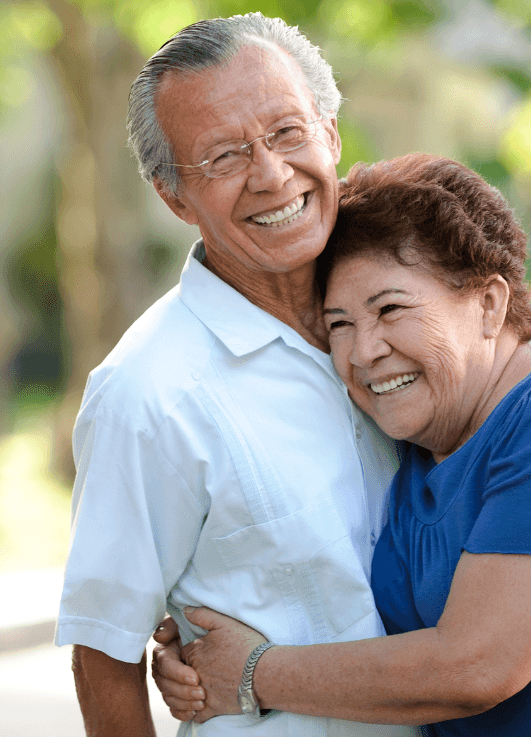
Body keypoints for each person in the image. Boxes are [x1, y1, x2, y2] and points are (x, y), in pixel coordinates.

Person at [151, 153, 531, 736]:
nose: (363, 352)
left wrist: (254, 673)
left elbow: (473, 668)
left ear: (489, 304)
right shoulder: (417, 441)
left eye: (390, 310)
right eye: (339, 325)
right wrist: (202, 633)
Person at [54, 12, 416, 737]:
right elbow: (103, 649)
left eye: (287, 132)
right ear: (172, 196)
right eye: (221, 157)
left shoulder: (406, 319)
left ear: (331, 135)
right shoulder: (148, 392)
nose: (271, 175)